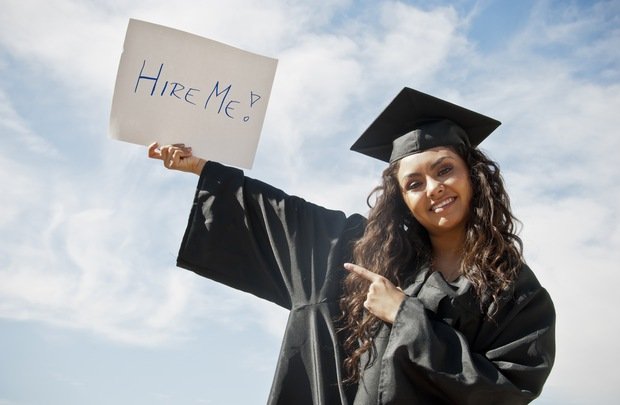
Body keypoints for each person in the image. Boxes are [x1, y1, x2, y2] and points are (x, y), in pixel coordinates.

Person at [148, 87, 555, 404]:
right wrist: (200, 166)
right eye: (413, 183)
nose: (433, 189)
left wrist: (405, 316)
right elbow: (284, 216)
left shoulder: (513, 288)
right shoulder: (361, 252)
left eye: (444, 170)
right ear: (401, 198)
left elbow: (504, 392)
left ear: (473, 175)